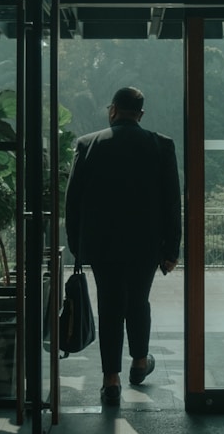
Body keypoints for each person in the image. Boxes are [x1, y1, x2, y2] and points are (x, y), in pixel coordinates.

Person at [65, 86, 182, 405]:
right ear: (140, 114)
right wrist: (171, 249)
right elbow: (172, 201)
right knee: (138, 301)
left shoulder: (88, 145)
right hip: (146, 244)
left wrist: (77, 245)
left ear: (112, 110)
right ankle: (140, 362)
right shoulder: (162, 145)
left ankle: (110, 379)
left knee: (110, 305)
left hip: (102, 245)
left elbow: (72, 201)